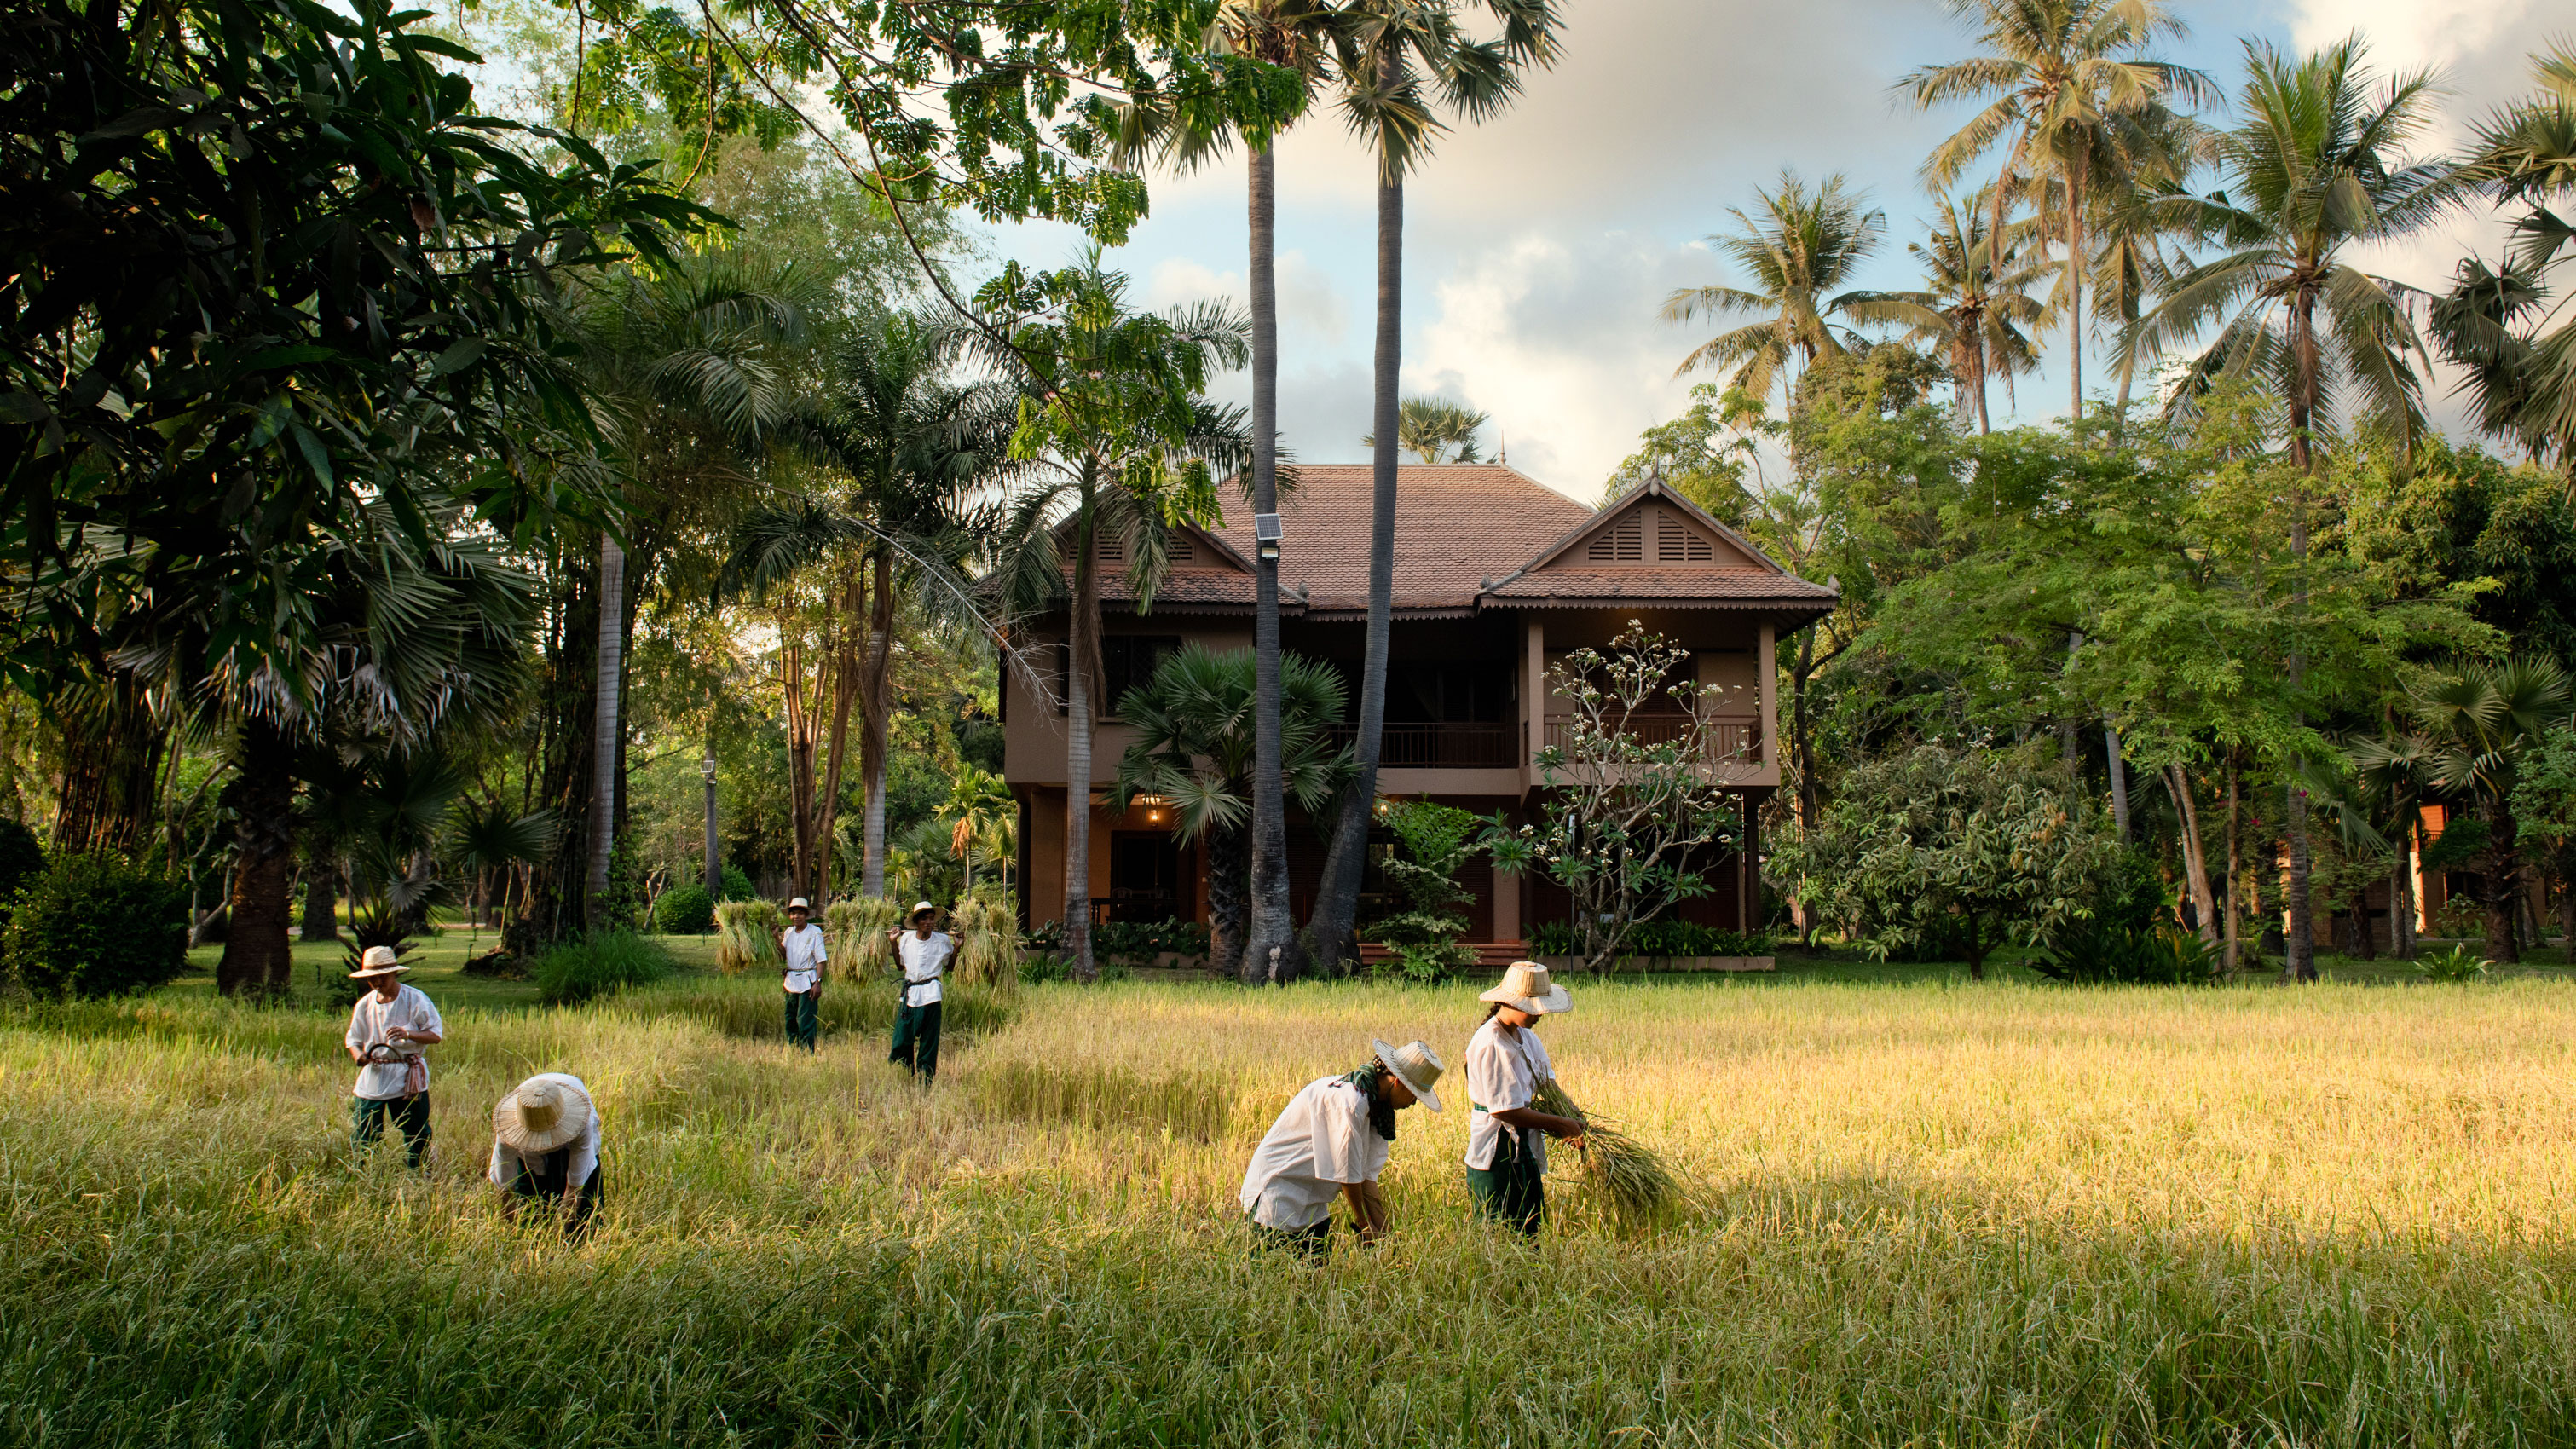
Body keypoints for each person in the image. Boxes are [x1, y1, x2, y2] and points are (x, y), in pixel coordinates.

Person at [1239, 1038, 1446, 1257]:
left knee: (1316, 1281)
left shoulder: (1377, 1110)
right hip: (1277, 1196)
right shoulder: (1350, 1102)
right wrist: (1366, 1227)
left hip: (1311, 1203)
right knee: (1277, 1281)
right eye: (1414, 1094)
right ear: (1399, 1083)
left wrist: (1385, 1235)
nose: (1413, 1103)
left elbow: (1366, 1179)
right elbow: (1347, 1175)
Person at [1463, 961, 1585, 1237]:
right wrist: (1561, 1125)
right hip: (1496, 1153)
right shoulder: (1491, 1043)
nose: (1540, 1014)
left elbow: (1546, 1084)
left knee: (1530, 1231)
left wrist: (1572, 1113)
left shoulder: (1527, 1037)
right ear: (1512, 1004)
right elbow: (1505, 1111)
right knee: (1498, 1235)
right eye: (1534, 1007)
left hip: (1523, 1147)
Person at [344, 945, 443, 1167]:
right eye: (372, 979)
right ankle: (366, 1171)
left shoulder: (414, 999)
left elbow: (435, 1034)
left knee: (415, 1128)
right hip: (375, 1073)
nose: (378, 983)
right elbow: (353, 1040)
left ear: (394, 973)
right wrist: (360, 1056)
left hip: (406, 1073)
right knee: (365, 1127)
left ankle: (419, 1171)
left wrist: (408, 1034)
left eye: (382, 977)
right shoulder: (364, 1005)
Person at [490, 1073, 603, 1239]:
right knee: (528, 1215)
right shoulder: (508, 1134)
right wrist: (516, 1239)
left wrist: (556, 1239)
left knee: (583, 1220)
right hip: (528, 1157)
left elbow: (574, 1189)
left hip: (569, 1144)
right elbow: (506, 1191)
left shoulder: (581, 1124)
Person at [886, 901, 949, 1082]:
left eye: (931, 919)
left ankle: (925, 1080)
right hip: (911, 994)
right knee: (902, 1038)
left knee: (929, 1041)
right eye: (924, 919)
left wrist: (958, 947)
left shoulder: (942, 941)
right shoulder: (906, 939)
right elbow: (899, 966)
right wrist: (893, 943)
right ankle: (904, 1074)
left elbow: (950, 967)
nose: (929, 922)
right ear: (917, 921)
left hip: (931, 994)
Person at [779, 897, 825, 1052]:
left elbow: (821, 960)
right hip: (791, 980)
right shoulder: (788, 932)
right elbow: (782, 954)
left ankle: (807, 1051)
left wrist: (817, 982)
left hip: (808, 981)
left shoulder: (814, 932)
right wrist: (774, 938)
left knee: (805, 1019)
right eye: (793, 914)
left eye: (799, 913)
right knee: (790, 1018)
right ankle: (793, 1048)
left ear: (805, 915)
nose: (795, 917)